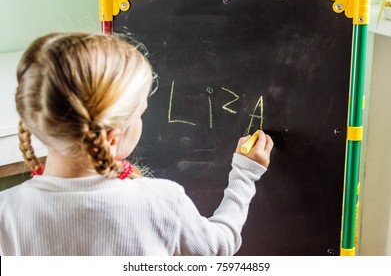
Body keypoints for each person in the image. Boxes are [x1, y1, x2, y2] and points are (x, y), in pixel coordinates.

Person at [0, 32, 274, 256]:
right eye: (140, 113)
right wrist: (244, 175)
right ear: (112, 136)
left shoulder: (6, 212)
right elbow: (219, 246)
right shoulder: (163, 203)